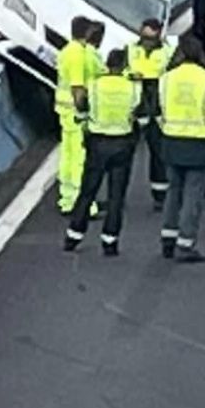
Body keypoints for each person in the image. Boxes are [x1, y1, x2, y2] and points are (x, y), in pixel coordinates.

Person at [65, 48, 139, 256]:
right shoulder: (133, 88)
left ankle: (73, 236)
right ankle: (110, 241)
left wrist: (83, 118)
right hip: (122, 144)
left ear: (107, 64)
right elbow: (140, 115)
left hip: (97, 143)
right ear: (124, 65)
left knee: (88, 191)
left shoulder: (95, 85)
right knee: (116, 196)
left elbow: (82, 106)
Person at [158, 34, 205, 263]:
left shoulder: (166, 79)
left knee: (173, 192)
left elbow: (158, 108)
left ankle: (167, 239)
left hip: (171, 142)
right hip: (200, 145)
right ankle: (185, 244)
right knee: (192, 197)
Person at [127, 18, 173, 210]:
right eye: (144, 38)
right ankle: (117, 196)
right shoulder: (129, 49)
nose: (147, 43)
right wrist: (129, 76)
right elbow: (117, 70)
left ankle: (160, 195)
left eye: (151, 39)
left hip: (155, 105)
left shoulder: (168, 52)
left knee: (158, 152)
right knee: (123, 154)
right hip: (131, 105)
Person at [54, 16, 97, 215]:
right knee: (80, 156)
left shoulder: (66, 51)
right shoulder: (78, 54)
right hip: (75, 111)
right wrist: (84, 112)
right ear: (86, 32)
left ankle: (68, 198)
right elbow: (78, 87)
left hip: (64, 110)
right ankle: (83, 201)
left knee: (68, 155)